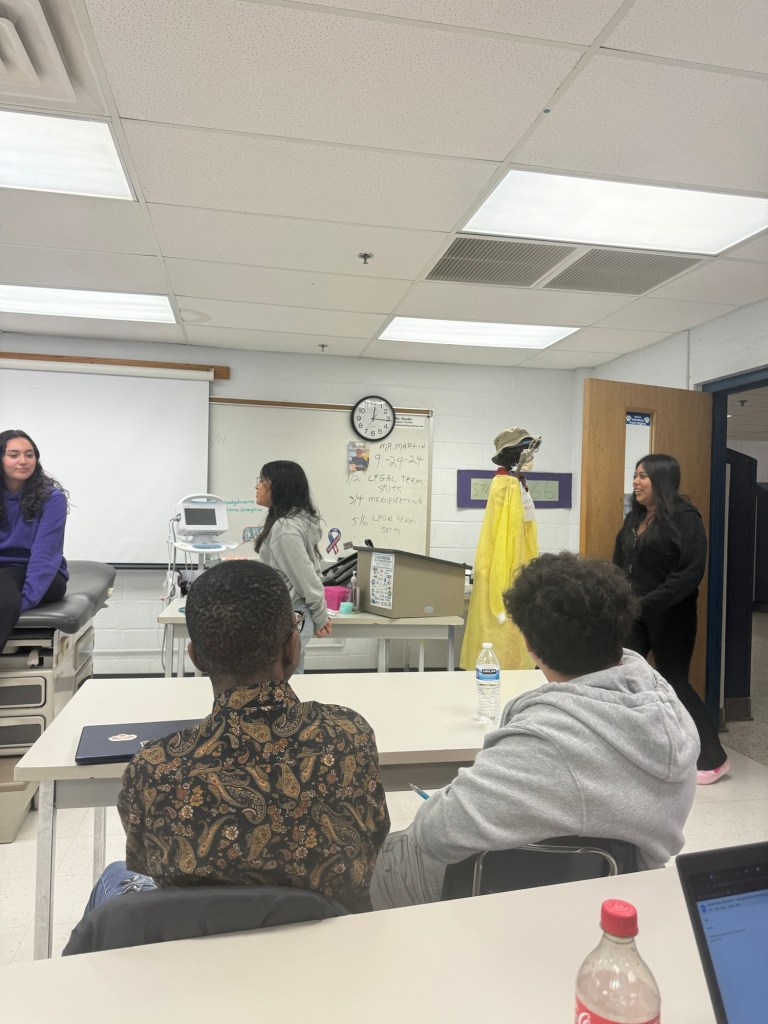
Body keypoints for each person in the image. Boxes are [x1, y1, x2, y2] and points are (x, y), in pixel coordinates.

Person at [370, 552, 699, 909]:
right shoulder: (665, 703)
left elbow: (436, 833)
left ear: (530, 646)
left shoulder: (548, 740)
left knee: (358, 866)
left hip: (520, 895)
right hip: (627, 889)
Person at [79, 560, 390, 921]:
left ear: (196, 658)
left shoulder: (154, 771)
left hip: (203, 947)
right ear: (293, 648)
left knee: (114, 876)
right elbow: (375, 838)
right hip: (335, 944)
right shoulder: (349, 735)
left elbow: (151, 871)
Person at [613, 454, 729, 785]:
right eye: (635, 475)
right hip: (633, 614)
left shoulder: (685, 518)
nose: (636, 482)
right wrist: (619, 599)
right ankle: (638, 751)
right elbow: (619, 562)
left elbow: (689, 573)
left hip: (671, 614)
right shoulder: (634, 518)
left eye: (643, 476)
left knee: (674, 681)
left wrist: (648, 603)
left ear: (662, 480)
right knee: (623, 677)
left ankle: (714, 759)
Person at [460, 426, 540, 670]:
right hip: (503, 573)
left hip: (508, 570)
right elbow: (506, 540)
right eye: (526, 450)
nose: (531, 456)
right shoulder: (506, 486)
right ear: (513, 454)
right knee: (502, 643)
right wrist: (503, 591)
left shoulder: (514, 483)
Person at [255, 460, 331, 672]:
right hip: (291, 612)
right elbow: (309, 571)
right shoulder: (289, 522)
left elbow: (306, 578)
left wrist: (320, 615)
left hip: (292, 613)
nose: (257, 486)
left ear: (279, 486)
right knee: (290, 675)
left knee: (282, 677)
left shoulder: (285, 528)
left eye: (262, 480)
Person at [0, 429, 68, 653]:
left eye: (29, 455)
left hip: (44, 577)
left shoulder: (52, 499)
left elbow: (45, 555)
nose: (23, 461)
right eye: (14, 455)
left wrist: (23, 601)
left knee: (4, 584)